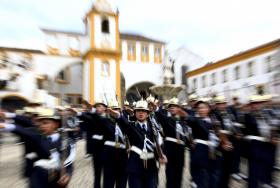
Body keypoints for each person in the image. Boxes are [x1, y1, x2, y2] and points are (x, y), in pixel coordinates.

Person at [0, 108, 75, 188]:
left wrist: (68, 175)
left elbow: (69, 163)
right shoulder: (37, 137)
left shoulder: (65, 141)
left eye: (45, 123)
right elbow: (21, 130)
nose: (42, 126)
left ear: (56, 124)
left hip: (58, 179)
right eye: (41, 124)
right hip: (38, 177)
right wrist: (5, 126)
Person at [108, 99, 167, 188]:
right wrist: (118, 115)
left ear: (147, 114)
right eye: (138, 111)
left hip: (151, 167)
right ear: (135, 113)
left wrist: (161, 155)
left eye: (143, 111)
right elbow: (123, 121)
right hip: (135, 166)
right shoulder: (131, 126)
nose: (141, 113)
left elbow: (159, 143)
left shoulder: (153, 128)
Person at [184, 99, 221, 188]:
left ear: (208, 109)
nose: (201, 110)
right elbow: (188, 128)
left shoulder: (215, 121)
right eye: (199, 108)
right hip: (200, 154)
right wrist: (190, 142)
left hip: (214, 155)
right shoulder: (195, 120)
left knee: (213, 179)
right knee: (202, 180)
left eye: (203, 107)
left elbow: (219, 135)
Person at [151, 97, 187, 188]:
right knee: (170, 174)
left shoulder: (183, 121)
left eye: (175, 106)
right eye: (171, 107)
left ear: (179, 108)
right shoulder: (167, 119)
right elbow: (159, 115)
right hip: (170, 149)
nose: (172, 108)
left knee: (179, 174)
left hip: (181, 150)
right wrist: (156, 108)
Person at [244, 95, 278, 188]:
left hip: (265, 145)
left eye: (258, 103)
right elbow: (248, 132)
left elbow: (271, 127)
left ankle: (265, 182)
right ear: (251, 105)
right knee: (253, 171)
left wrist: (273, 137)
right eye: (254, 104)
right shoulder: (248, 115)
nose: (256, 106)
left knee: (266, 166)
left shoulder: (266, 114)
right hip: (254, 146)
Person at [77, 99, 107, 188]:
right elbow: (85, 116)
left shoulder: (110, 118)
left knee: (107, 175)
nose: (97, 108)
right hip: (97, 151)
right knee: (97, 174)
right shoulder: (93, 117)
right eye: (96, 106)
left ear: (105, 108)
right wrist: (78, 113)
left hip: (107, 151)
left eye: (99, 106)